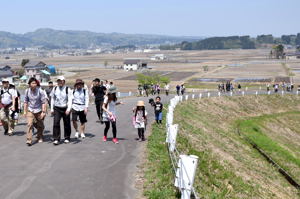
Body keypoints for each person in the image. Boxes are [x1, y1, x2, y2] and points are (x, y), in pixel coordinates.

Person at [23, 77, 47, 146]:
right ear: (29, 84)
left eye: (35, 83)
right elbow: (25, 101)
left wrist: (43, 112)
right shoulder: (27, 91)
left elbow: (43, 102)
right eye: (33, 83)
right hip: (30, 110)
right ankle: (29, 140)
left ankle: (40, 136)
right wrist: (25, 111)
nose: (34, 84)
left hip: (39, 110)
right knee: (29, 124)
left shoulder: (40, 91)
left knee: (40, 125)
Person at [50, 76, 72, 145]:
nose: (60, 82)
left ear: (64, 81)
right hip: (57, 108)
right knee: (56, 123)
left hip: (65, 108)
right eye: (58, 81)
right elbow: (52, 98)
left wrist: (68, 109)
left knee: (66, 123)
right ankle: (56, 138)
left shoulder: (68, 89)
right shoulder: (55, 88)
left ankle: (67, 137)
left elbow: (70, 100)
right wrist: (51, 108)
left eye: (61, 81)